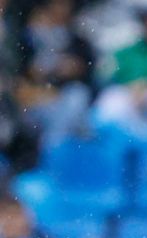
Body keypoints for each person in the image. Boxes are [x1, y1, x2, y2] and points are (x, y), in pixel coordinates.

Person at [14, 0, 96, 147]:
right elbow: (20, 82)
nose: (61, 9)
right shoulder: (25, 39)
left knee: (77, 97)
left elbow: (87, 68)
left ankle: (57, 154)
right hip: (32, 103)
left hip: (61, 101)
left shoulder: (73, 39)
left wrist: (74, 68)